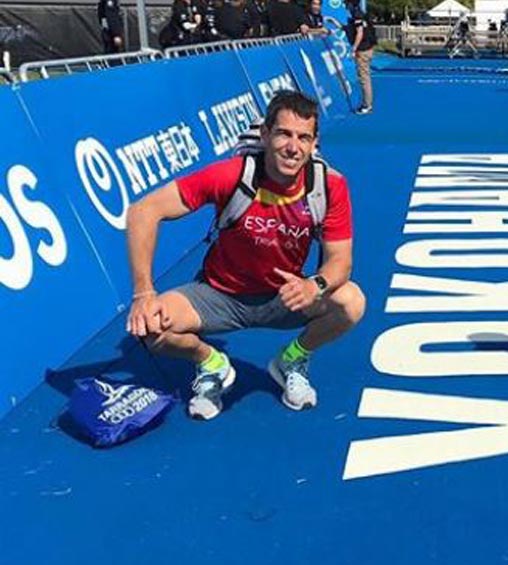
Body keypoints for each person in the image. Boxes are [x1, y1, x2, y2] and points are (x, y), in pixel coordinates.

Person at [125, 91, 365, 421]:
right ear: (265, 134)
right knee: (149, 325)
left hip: (285, 297)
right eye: (283, 134)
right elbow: (143, 211)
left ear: (313, 144)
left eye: (303, 138)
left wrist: (315, 284)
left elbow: (341, 261)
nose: (293, 147)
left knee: (351, 302)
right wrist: (143, 293)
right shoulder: (232, 175)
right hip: (217, 295)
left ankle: (292, 359)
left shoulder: (329, 186)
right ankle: (210, 363)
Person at [345, 1, 376, 114]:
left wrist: (354, 48)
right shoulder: (362, 13)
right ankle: (367, 103)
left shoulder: (356, 14)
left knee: (364, 78)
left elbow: (360, 32)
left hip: (363, 50)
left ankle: (367, 105)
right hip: (368, 48)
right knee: (365, 77)